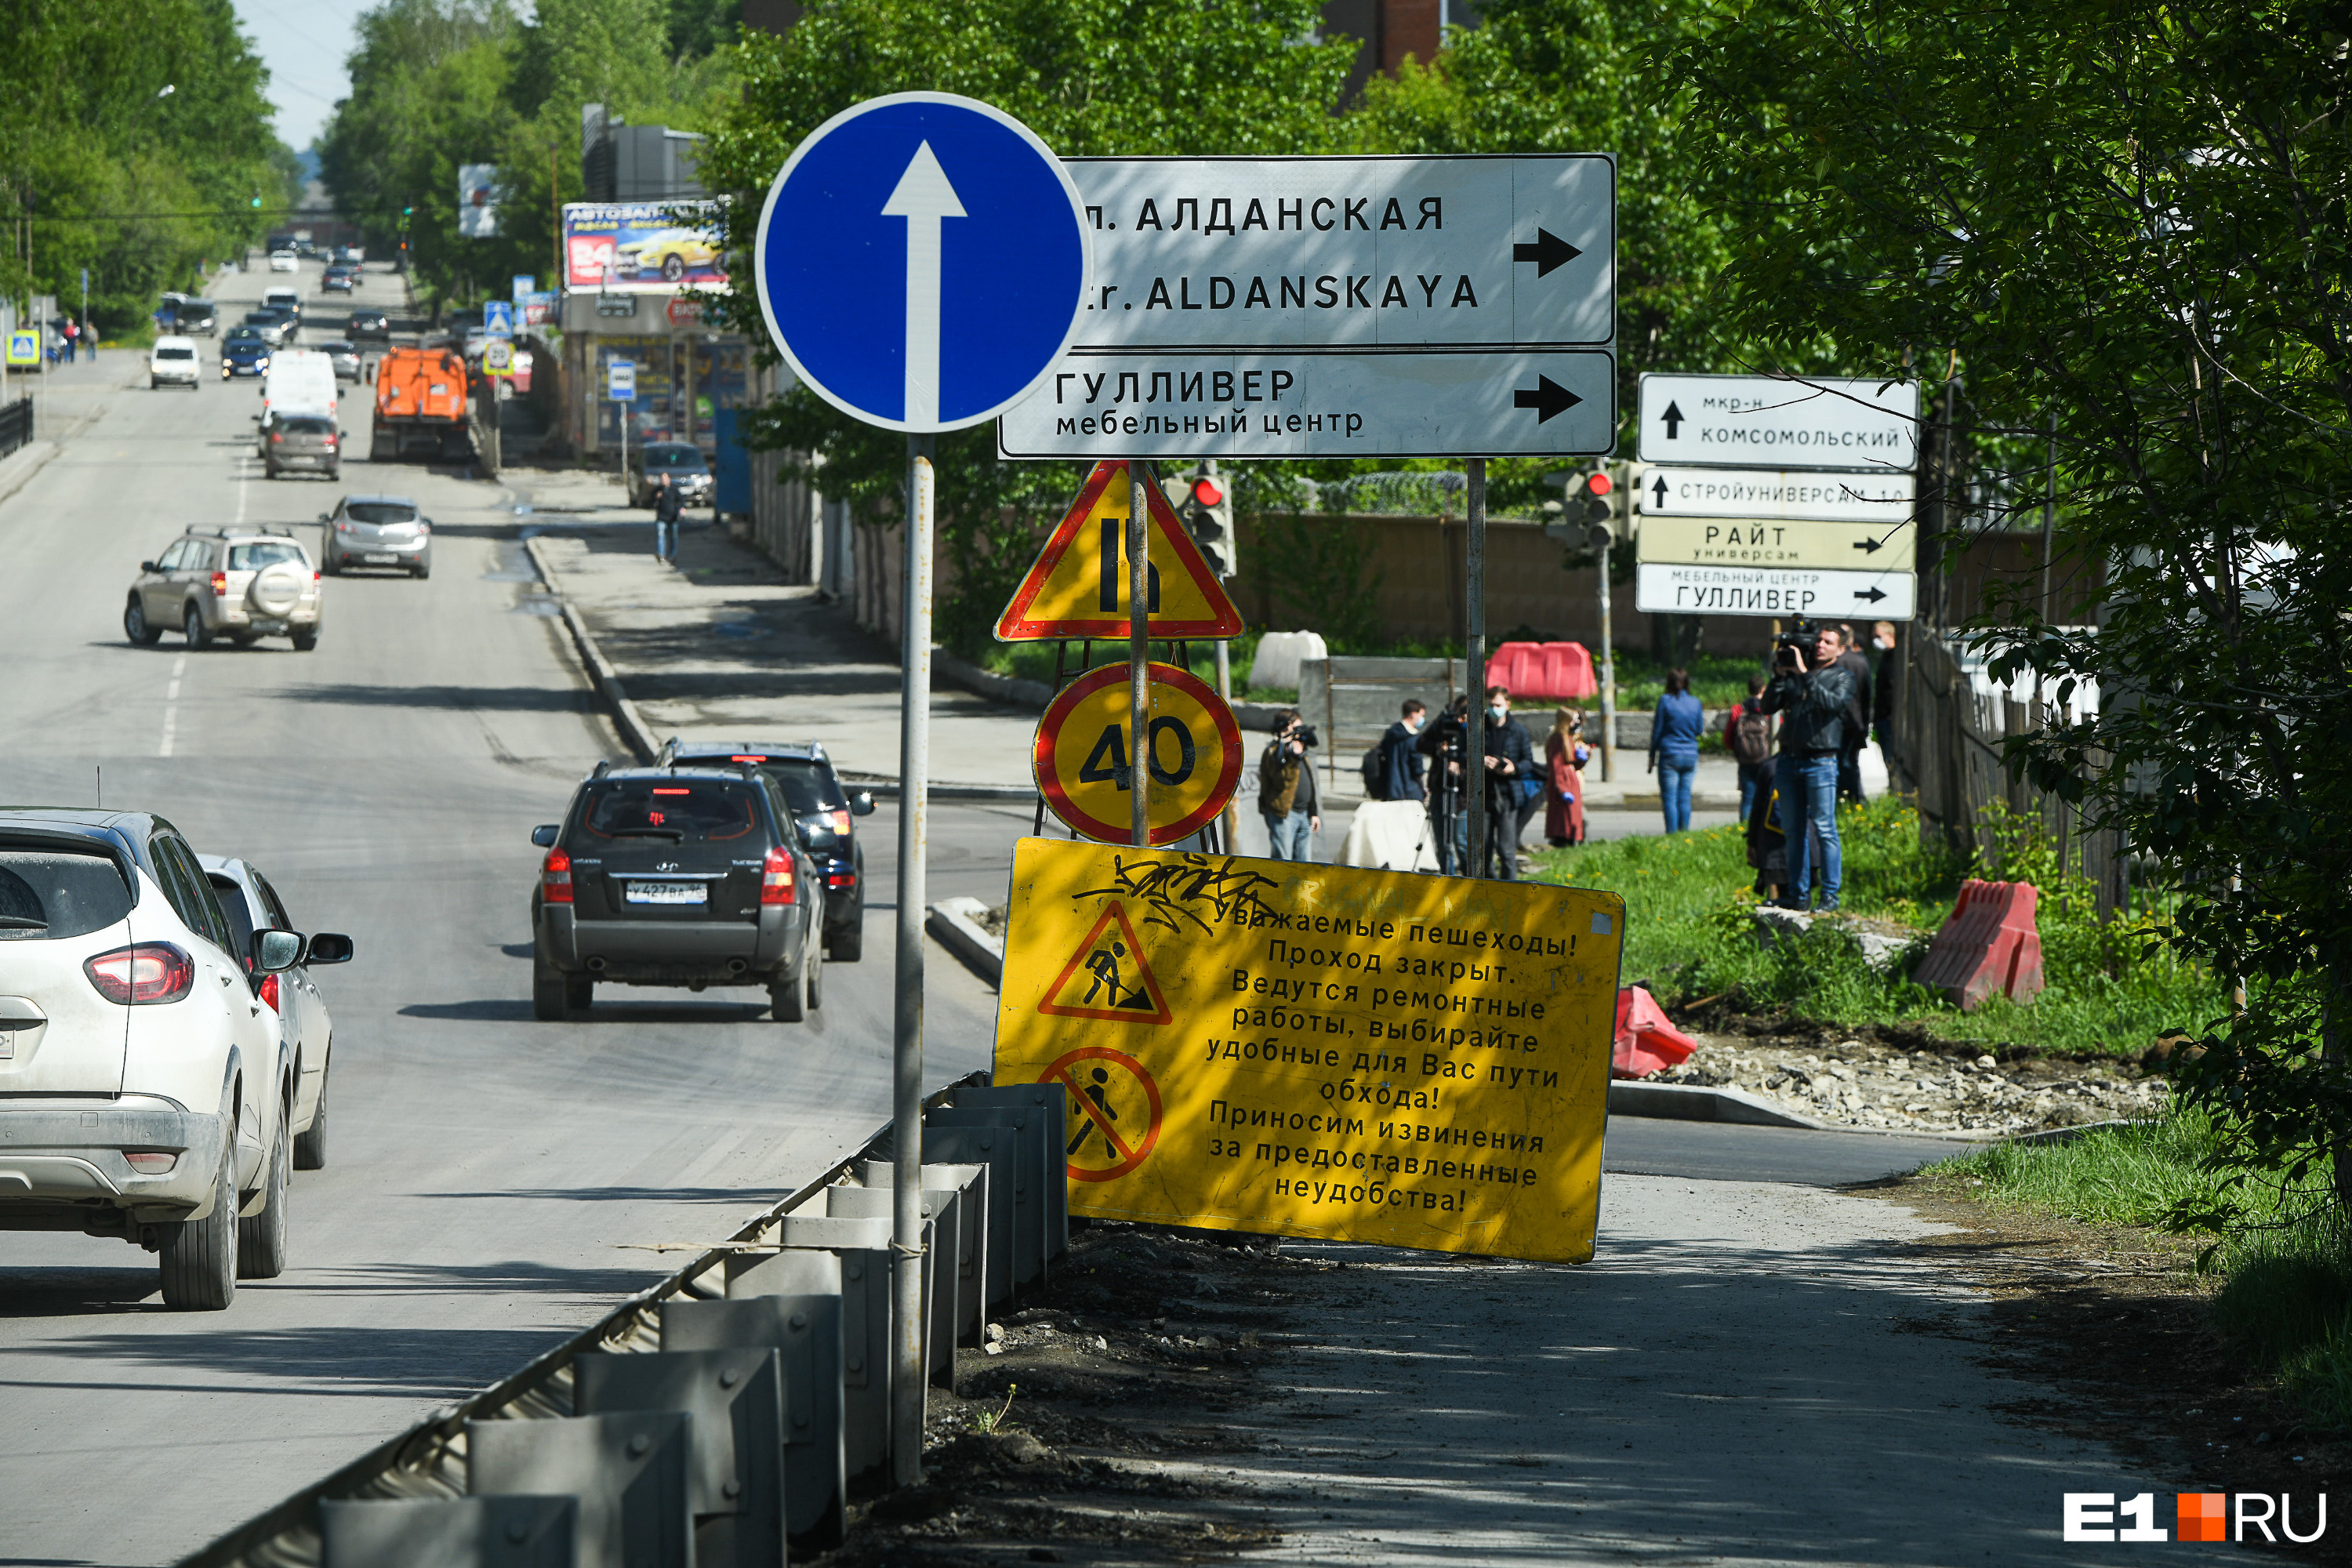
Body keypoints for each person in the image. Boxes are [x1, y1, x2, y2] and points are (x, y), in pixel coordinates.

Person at [1759, 620, 1858, 911]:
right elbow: (1767, 707)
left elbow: (1831, 704)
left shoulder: (1842, 678)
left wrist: (1803, 673)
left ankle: (1830, 895)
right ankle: (1798, 895)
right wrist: (1780, 676)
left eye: (1828, 642)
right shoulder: (1795, 675)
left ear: (1840, 650)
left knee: (1825, 830)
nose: (1820, 645)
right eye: (1819, 641)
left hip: (1821, 762)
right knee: (1793, 832)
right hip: (1790, 761)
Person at [1475, 684, 1536, 879]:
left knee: (1506, 851)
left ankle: (1510, 892)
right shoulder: (1478, 728)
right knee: (1483, 850)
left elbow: (1529, 762)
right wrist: (1481, 760)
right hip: (1483, 796)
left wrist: (1513, 768)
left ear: (1508, 705)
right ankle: (1487, 888)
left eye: (1498, 704)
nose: (1494, 708)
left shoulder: (1518, 731)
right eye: (1491, 704)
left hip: (1507, 797)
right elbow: (1463, 754)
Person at [1416, 695, 1472, 873]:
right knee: (1443, 844)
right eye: (1458, 714)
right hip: (1440, 788)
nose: (1459, 720)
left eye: (1464, 716)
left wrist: (1461, 771)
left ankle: (1471, 880)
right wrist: (1438, 749)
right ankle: (1448, 880)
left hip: (1463, 795)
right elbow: (1421, 743)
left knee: (1461, 842)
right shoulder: (1443, 723)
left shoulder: (1477, 729)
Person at [1258, 709, 1321, 861]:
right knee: (1282, 861)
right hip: (1284, 814)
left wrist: (1313, 813)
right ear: (1285, 727)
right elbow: (1282, 781)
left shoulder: (1300, 749)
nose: (1298, 733)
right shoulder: (1273, 752)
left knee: (1304, 864)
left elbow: (1311, 783)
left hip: (1304, 813)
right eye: (1295, 728)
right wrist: (1292, 758)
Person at [1647, 668, 1704, 833]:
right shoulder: (1696, 702)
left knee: (1670, 799)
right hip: (1690, 755)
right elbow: (1699, 729)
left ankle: (1672, 837)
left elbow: (1657, 731)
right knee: (1685, 798)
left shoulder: (1665, 701)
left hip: (1670, 755)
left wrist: (1652, 755)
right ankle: (1684, 835)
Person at [1726, 673, 1775, 827]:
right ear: (1763, 689)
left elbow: (1728, 737)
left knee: (1747, 797)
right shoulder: (1769, 709)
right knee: (1767, 796)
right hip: (1765, 759)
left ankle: (1744, 828)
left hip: (1745, 760)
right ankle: (1763, 828)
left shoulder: (1738, 709)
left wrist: (1739, 751)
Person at [1831, 626, 1874, 804]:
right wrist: (1865, 724)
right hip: (1856, 721)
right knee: (1852, 762)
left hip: (1835, 721)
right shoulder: (1861, 661)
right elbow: (1867, 696)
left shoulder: (1833, 662)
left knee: (1838, 762)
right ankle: (1856, 798)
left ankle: (1843, 796)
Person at [1544, 708, 1592, 848]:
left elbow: (1573, 765)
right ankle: (1563, 842)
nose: (1576, 723)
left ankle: (1572, 841)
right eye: (1573, 719)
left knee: (1573, 816)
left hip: (1570, 780)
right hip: (1564, 782)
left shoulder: (1568, 738)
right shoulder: (1558, 739)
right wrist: (1562, 788)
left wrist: (1583, 757)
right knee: (1564, 818)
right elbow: (1556, 766)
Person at [1375, 699, 1428, 804]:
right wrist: (1423, 789)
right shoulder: (1413, 739)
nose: (1423, 719)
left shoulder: (1391, 734)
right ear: (1413, 714)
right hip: (1410, 790)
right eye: (1421, 715)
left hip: (1391, 789)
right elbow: (1417, 769)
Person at [651, 472, 683, 562]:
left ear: (669, 479)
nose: (663, 481)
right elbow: (650, 503)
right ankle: (661, 554)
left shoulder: (674, 489)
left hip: (673, 517)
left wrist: (682, 508)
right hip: (661, 517)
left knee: (673, 537)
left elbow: (681, 500)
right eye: (662, 479)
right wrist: (656, 498)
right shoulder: (657, 490)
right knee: (660, 535)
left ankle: (673, 555)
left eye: (665, 479)